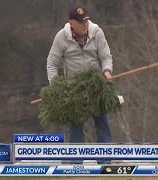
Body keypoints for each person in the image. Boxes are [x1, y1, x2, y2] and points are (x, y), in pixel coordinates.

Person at [46, 6, 113, 150]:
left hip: (96, 86)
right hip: (73, 89)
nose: (85, 25)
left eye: (86, 21)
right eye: (81, 22)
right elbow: (52, 63)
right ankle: (76, 162)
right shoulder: (61, 37)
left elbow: (105, 56)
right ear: (71, 23)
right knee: (75, 127)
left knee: (103, 123)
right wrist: (55, 86)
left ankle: (106, 159)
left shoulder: (97, 33)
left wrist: (107, 71)